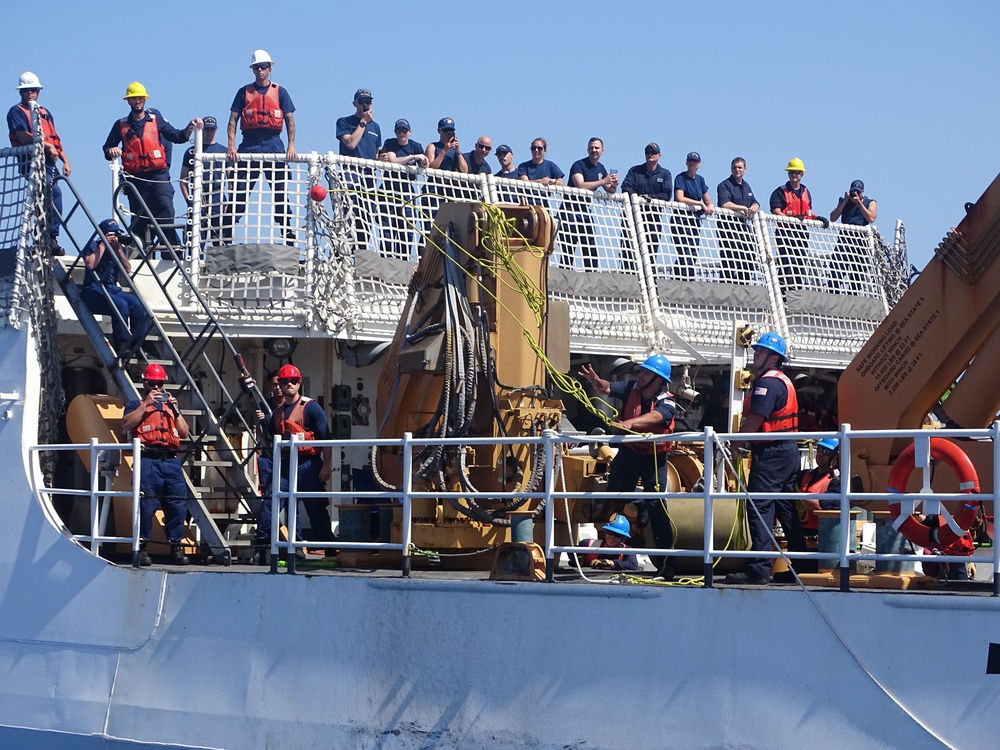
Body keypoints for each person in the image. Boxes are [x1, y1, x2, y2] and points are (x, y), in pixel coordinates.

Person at [577, 354, 677, 579]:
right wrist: (596, 381)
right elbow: (607, 388)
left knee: (658, 510)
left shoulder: (668, 400)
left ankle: (666, 566)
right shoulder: (630, 387)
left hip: (653, 459)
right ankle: (612, 551)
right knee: (615, 494)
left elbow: (657, 416)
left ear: (658, 379)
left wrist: (628, 423)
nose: (640, 375)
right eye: (641, 371)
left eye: (645, 372)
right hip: (630, 454)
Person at [726, 332, 804, 585]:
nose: (755, 354)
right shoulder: (782, 381)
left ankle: (758, 569)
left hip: (772, 453)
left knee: (759, 506)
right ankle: (803, 566)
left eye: (761, 352)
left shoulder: (767, 384)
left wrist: (735, 443)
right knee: (784, 506)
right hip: (786, 451)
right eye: (756, 350)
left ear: (773, 358)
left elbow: (756, 419)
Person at [252, 364, 334, 563]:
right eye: (284, 381)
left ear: (299, 383)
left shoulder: (311, 407)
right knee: (273, 501)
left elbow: (326, 438)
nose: (288, 384)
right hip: (286, 464)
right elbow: (271, 436)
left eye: (293, 381)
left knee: (315, 506)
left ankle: (328, 547)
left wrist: (326, 465)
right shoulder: (277, 413)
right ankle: (262, 545)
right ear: (278, 384)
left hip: (309, 464)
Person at [103, 82, 201, 249]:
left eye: (140, 98)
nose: (137, 101)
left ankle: (170, 251)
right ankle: (141, 252)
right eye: (134, 98)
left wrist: (190, 127)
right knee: (140, 218)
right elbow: (107, 147)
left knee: (166, 211)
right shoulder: (120, 125)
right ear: (128, 101)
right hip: (136, 179)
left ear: (145, 100)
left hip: (158, 176)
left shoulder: (157, 121)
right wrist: (111, 150)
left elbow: (177, 136)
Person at [121, 364, 191, 566]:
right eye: (153, 384)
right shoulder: (135, 405)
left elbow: (185, 432)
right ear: (145, 383)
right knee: (145, 505)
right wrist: (146, 406)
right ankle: (142, 548)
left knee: (177, 504)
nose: (157, 388)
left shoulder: (170, 407)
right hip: (148, 460)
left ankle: (176, 547)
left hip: (170, 461)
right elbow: (126, 424)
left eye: (160, 384)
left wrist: (176, 410)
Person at [225, 51, 297, 244]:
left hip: (274, 143)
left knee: (280, 191)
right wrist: (231, 145)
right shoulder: (243, 92)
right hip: (249, 144)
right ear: (252, 70)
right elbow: (232, 120)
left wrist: (291, 145)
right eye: (257, 67)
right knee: (239, 190)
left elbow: (290, 120)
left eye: (263, 67)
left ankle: (286, 231)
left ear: (270, 69)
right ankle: (225, 232)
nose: (260, 70)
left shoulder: (281, 92)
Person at [8, 72, 70, 255]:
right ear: (21, 92)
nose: (31, 93)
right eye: (27, 90)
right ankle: (47, 236)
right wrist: (46, 146)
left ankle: (47, 236)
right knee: (51, 193)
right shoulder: (16, 112)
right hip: (31, 163)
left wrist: (65, 160)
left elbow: (55, 138)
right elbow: (22, 136)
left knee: (51, 197)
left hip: (50, 163)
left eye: (34, 90)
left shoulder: (44, 112)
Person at [79, 219, 149, 355]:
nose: (114, 236)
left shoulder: (117, 248)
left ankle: (137, 345)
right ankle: (121, 345)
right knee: (121, 305)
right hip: (93, 288)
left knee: (138, 306)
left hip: (112, 288)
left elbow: (127, 269)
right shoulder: (94, 245)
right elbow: (90, 265)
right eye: (111, 234)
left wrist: (118, 250)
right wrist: (103, 246)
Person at [562, 137, 618, 270]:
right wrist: (603, 181)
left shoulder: (601, 168)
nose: (594, 150)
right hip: (570, 211)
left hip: (584, 212)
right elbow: (580, 185)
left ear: (602, 151)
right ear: (587, 149)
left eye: (597, 148)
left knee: (590, 247)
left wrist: (614, 185)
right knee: (568, 249)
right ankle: (564, 280)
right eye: (592, 147)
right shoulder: (579, 165)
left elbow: (610, 190)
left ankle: (591, 278)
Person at [377, 118, 427, 259]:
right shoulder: (390, 143)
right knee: (387, 227)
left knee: (407, 226)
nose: (401, 133)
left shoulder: (416, 146)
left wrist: (423, 161)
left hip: (406, 190)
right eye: (399, 131)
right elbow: (393, 160)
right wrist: (414, 157)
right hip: (388, 189)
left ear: (409, 132)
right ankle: (385, 258)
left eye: (404, 131)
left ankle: (403, 259)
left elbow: (425, 166)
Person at [769, 158, 821, 291]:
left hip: (801, 234)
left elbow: (808, 211)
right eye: (792, 172)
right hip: (785, 234)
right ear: (788, 174)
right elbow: (776, 211)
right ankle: (783, 295)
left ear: (802, 174)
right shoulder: (780, 192)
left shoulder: (806, 192)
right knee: (786, 264)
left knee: (799, 265)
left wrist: (819, 218)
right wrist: (791, 220)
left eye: (797, 172)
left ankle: (795, 293)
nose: (794, 175)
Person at [621, 142, 672, 272]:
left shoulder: (665, 174)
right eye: (648, 153)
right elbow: (626, 188)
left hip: (653, 219)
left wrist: (648, 198)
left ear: (659, 155)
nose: (650, 155)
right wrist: (639, 199)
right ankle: (628, 278)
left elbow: (666, 195)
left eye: (653, 153)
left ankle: (651, 282)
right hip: (632, 217)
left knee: (650, 252)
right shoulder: (634, 171)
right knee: (629, 249)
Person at [180, 116, 228, 245]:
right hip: (198, 195)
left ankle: (220, 265)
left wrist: (229, 201)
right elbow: (183, 179)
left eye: (212, 129)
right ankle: (196, 262)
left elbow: (232, 178)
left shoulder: (224, 151)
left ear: (216, 130)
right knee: (195, 238)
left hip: (217, 195)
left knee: (220, 239)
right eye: (207, 129)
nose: (209, 132)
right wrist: (189, 200)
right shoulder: (191, 151)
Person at [829, 179, 878, 294]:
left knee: (857, 275)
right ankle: (833, 294)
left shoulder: (870, 202)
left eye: (858, 192)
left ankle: (853, 296)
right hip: (844, 242)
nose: (855, 194)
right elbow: (832, 217)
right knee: (836, 270)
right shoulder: (844, 201)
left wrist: (859, 203)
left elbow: (871, 218)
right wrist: (845, 201)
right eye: (853, 191)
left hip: (860, 244)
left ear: (862, 192)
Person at [671, 152, 714, 280]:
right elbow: (680, 197)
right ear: (686, 162)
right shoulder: (680, 178)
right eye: (690, 161)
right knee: (684, 252)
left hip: (694, 221)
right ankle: (681, 280)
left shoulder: (700, 180)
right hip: (681, 220)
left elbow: (708, 200)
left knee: (693, 252)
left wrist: (710, 206)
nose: (692, 163)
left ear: (699, 164)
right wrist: (699, 204)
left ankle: (688, 280)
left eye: (694, 161)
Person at [716, 157, 760, 283]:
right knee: (729, 260)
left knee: (750, 258)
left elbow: (755, 201)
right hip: (728, 228)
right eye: (735, 167)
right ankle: (727, 286)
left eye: (740, 167)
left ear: (745, 169)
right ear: (731, 169)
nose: (737, 170)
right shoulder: (724, 185)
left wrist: (754, 207)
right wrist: (742, 208)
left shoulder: (746, 186)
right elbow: (724, 204)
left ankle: (741, 285)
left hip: (743, 228)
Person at [796, 438, 841, 540]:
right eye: (819, 449)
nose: (820, 454)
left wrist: (797, 497)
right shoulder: (804, 475)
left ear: (836, 457)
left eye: (826, 452)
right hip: (801, 531)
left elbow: (822, 506)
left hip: (825, 534)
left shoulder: (837, 482)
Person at [517, 138, 564, 209]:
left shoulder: (550, 165)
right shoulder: (523, 166)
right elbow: (524, 182)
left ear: (544, 150)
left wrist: (552, 181)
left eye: (539, 148)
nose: (536, 150)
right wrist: (540, 181)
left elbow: (561, 183)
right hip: (527, 203)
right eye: (533, 148)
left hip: (544, 204)